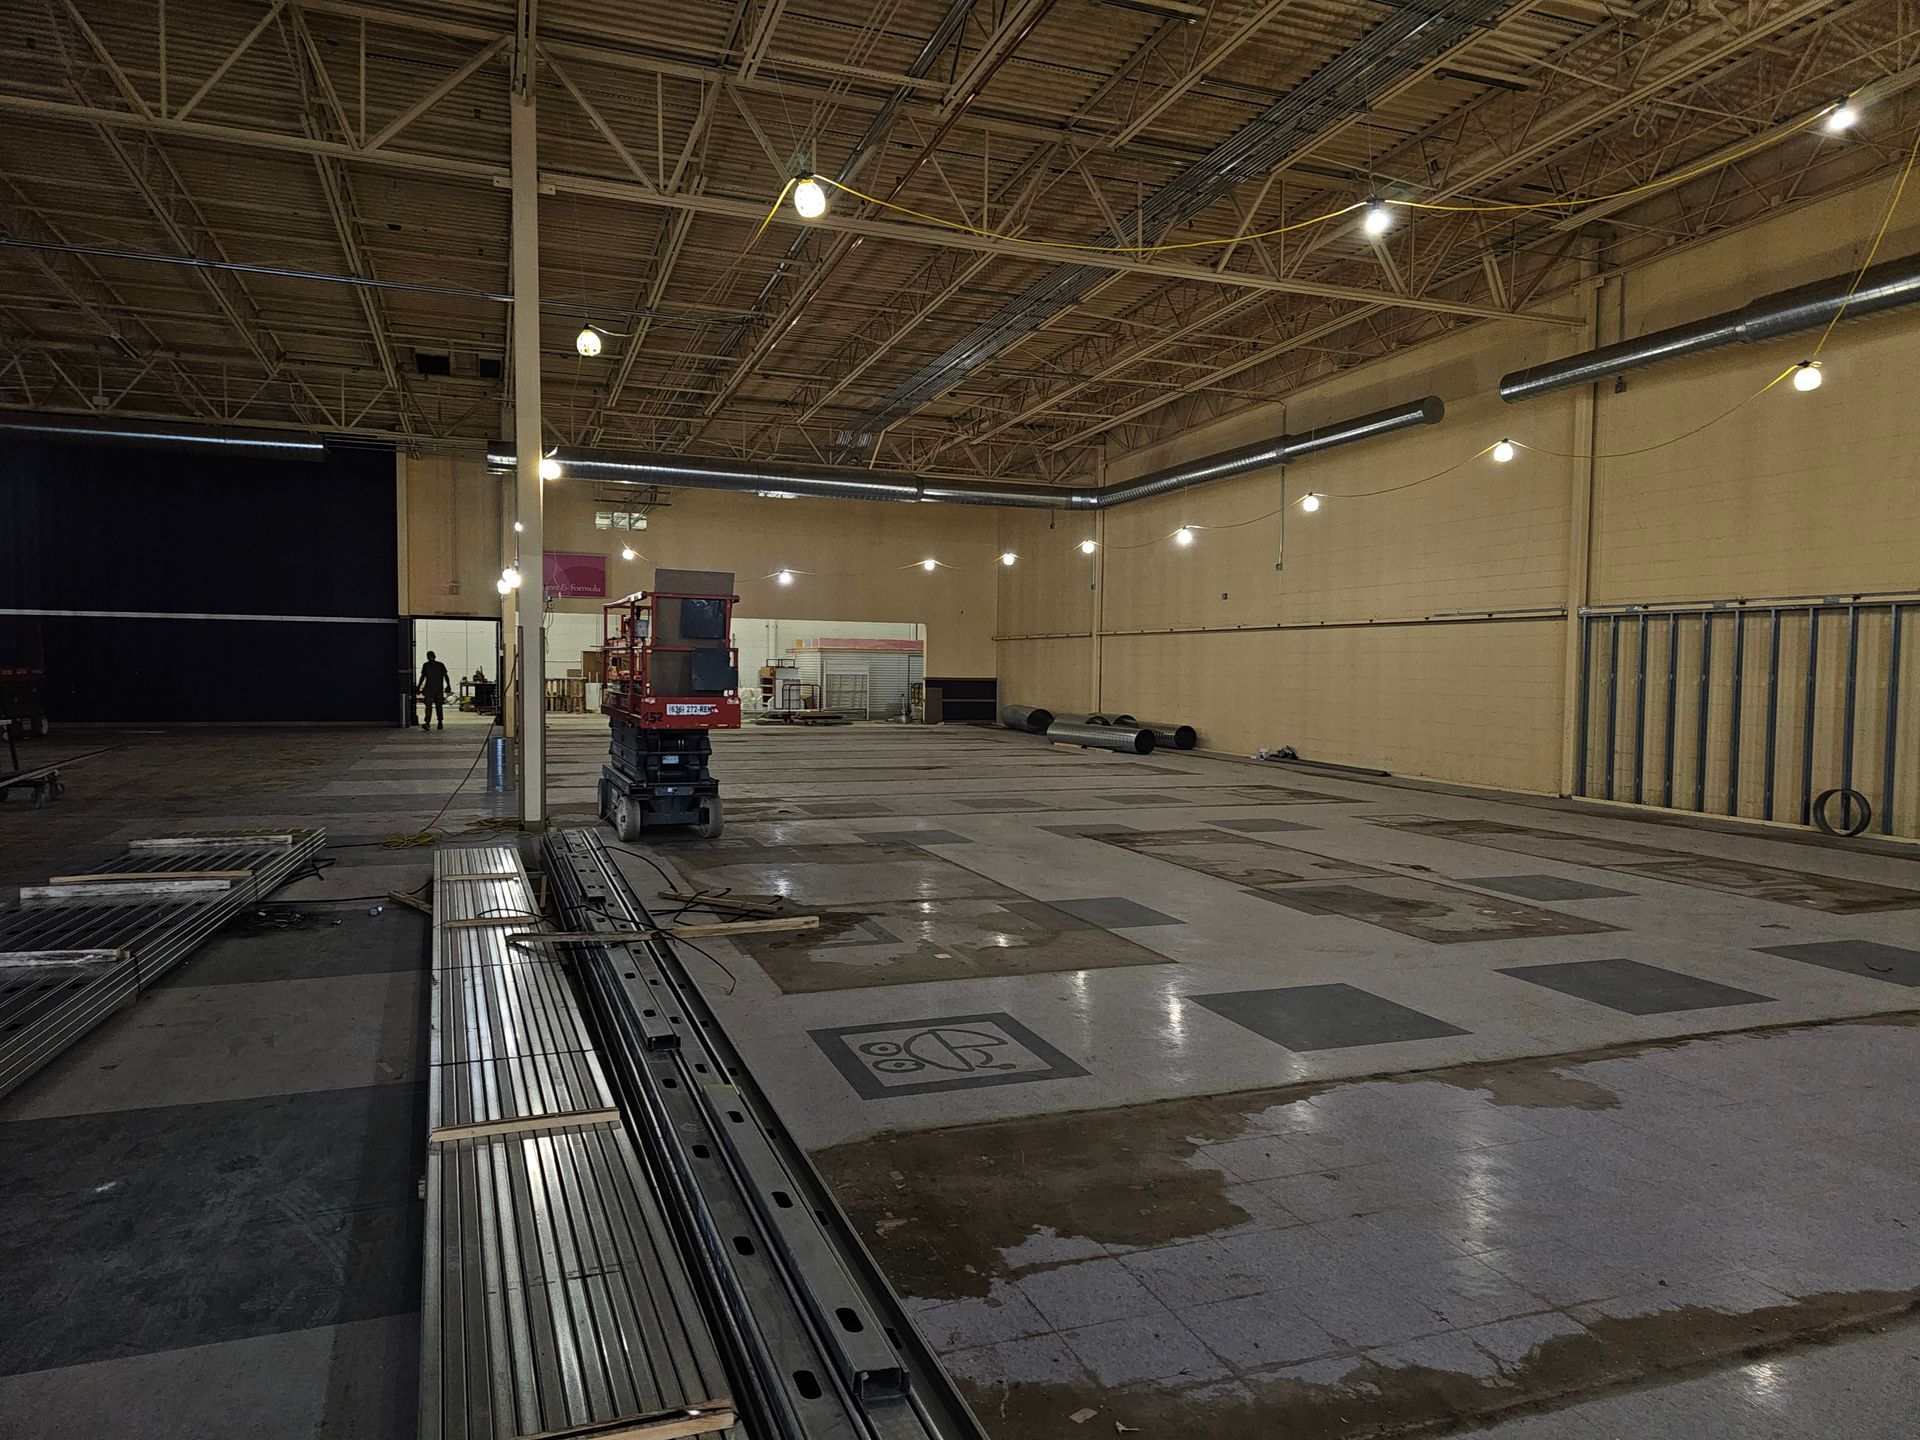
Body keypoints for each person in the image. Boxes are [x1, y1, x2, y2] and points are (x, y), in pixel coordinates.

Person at [417, 650, 452, 731]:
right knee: (433, 706)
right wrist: (418, 687)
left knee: (433, 706)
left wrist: (418, 687)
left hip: (434, 689)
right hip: (433, 689)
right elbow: (423, 677)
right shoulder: (433, 665)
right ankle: (433, 722)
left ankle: (435, 722)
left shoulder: (434, 665)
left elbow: (445, 676)